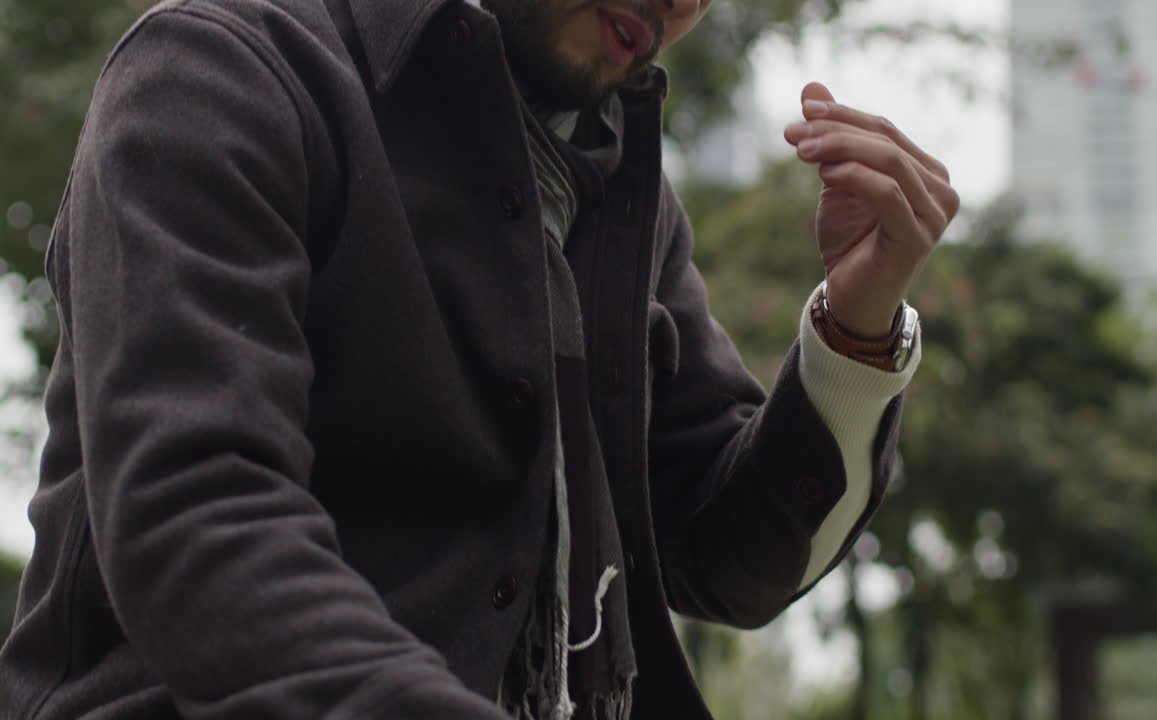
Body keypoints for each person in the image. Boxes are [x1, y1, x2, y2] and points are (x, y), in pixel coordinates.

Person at [0, 0, 959, 716]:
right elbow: (199, 523)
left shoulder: (622, 196)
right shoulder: (221, 71)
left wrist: (858, 321)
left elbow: (729, 559)